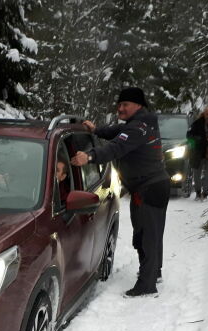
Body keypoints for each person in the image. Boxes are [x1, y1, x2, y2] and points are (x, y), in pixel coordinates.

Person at [71, 87, 170, 297]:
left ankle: (147, 284)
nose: (120, 108)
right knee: (152, 234)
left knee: (146, 236)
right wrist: (96, 130)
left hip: (149, 189)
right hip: (152, 186)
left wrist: (89, 157)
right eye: (119, 104)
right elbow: (115, 131)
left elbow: (115, 147)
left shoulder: (137, 129)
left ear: (138, 105)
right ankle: (155, 272)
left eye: (125, 105)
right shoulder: (140, 123)